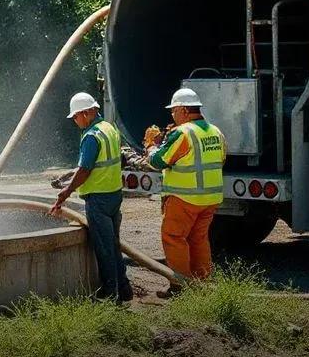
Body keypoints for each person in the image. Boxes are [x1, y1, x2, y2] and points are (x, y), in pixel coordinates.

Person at [50, 92, 133, 302]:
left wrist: (65, 192)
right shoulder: (109, 129)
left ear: (86, 113)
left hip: (98, 200)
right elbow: (103, 162)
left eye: (76, 117)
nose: (75, 121)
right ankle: (124, 289)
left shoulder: (91, 136)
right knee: (114, 244)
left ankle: (110, 295)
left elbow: (86, 170)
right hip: (114, 195)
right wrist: (69, 175)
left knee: (104, 248)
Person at [147, 88, 226, 296]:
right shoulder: (215, 131)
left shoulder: (183, 133)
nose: (172, 115)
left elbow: (158, 161)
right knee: (198, 239)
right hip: (210, 198)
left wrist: (151, 146)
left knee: (174, 237)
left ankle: (179, 286)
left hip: (185, 197)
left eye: (173, 111)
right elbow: (222, 159)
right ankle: (202, 284)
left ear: (183, 110)